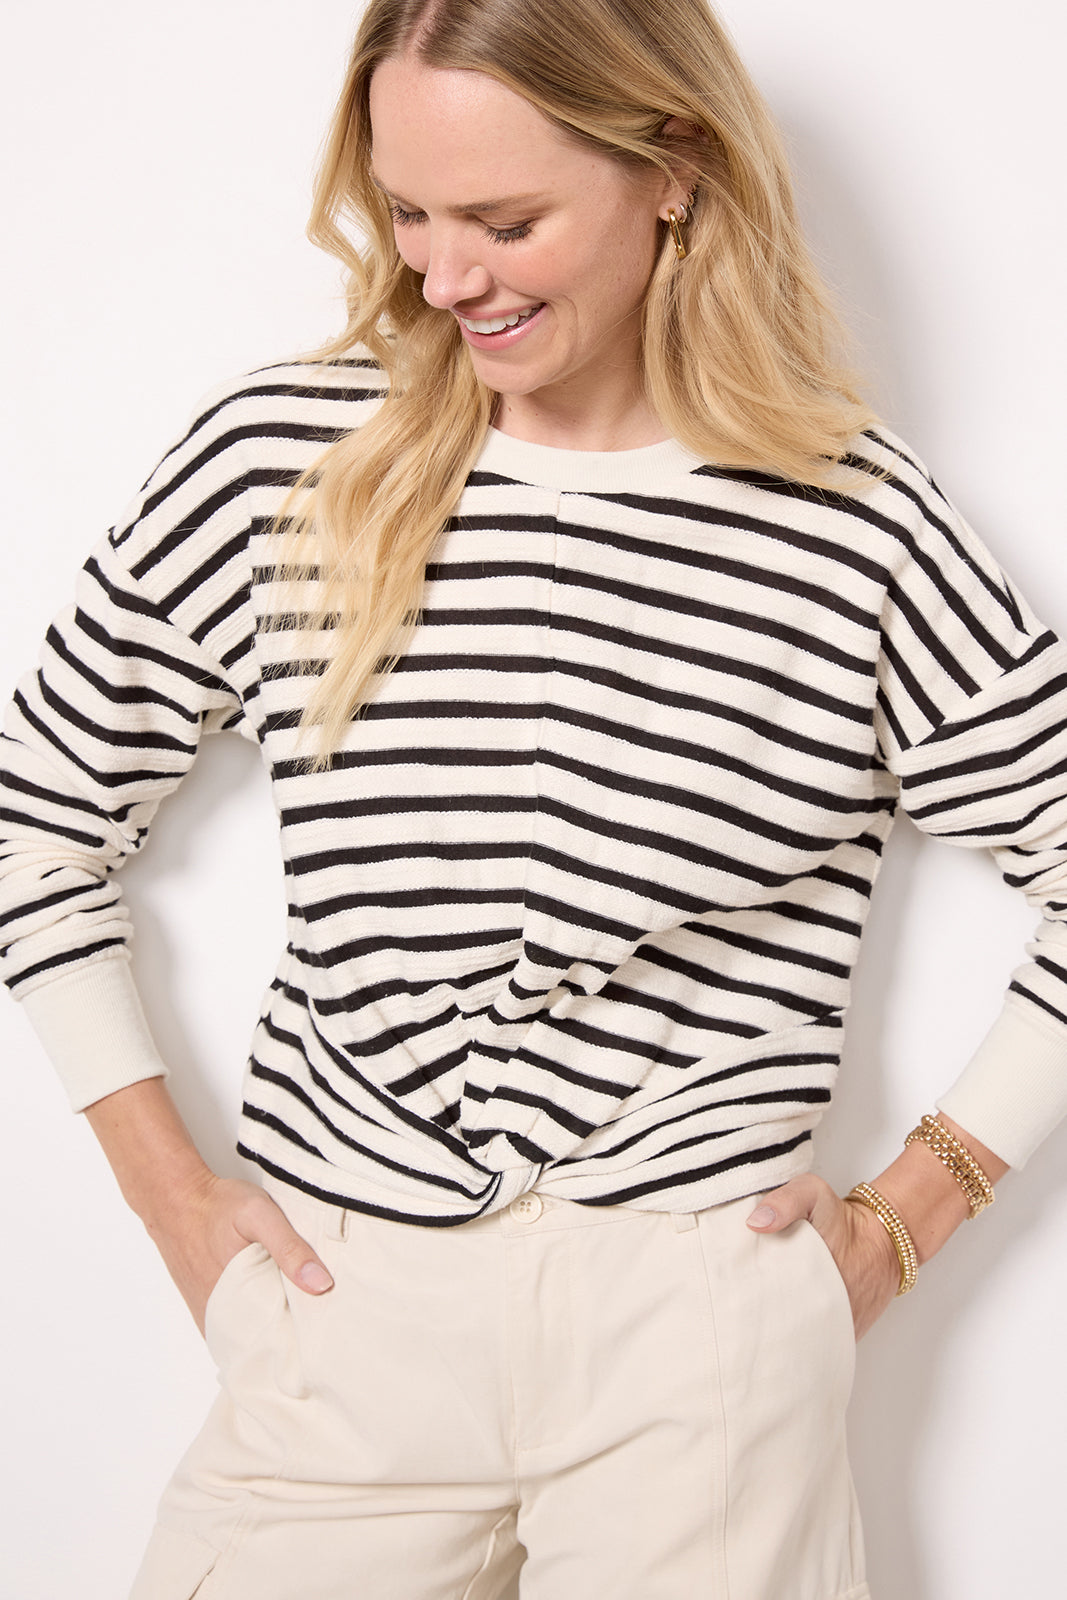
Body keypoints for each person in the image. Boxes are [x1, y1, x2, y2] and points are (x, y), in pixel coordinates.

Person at [2, 0, 1065, 1596]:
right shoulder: (287, 458)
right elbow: (35, 818)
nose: (446, 278)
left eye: (505, 223)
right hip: (344, 1315)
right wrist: (171, 1202)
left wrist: (917, 1208)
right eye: (408, 214)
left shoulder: (856, 523)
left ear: (674, 170)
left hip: (700, 1341)